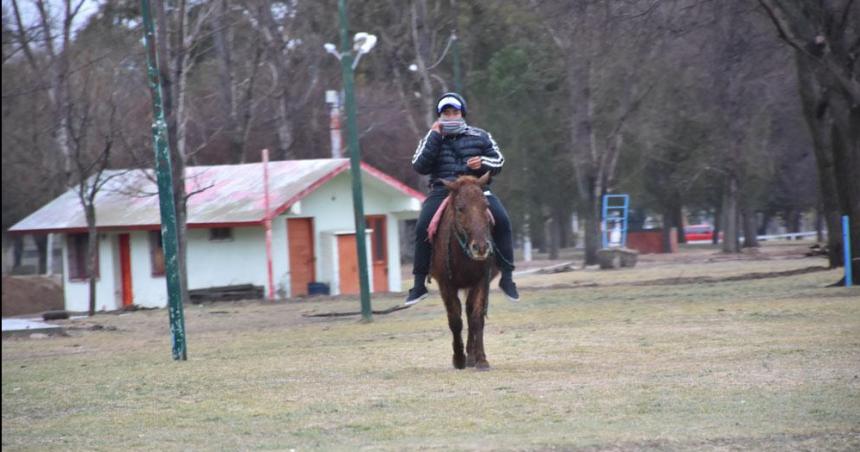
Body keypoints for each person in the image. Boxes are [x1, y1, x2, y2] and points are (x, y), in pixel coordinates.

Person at [405, 92, 519, 305]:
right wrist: (434, 137)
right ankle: (419, 283)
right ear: (440, 116)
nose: (451, 116)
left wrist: (483, 163)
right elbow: (419, 165)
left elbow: (499, 162)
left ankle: (507, 277)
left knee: (502, 220)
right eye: (446, 113)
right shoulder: (431, 137)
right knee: (422, 226)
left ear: (462, 113)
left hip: (476, 190)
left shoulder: (481, 136)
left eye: (454, 112)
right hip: (443, 190)